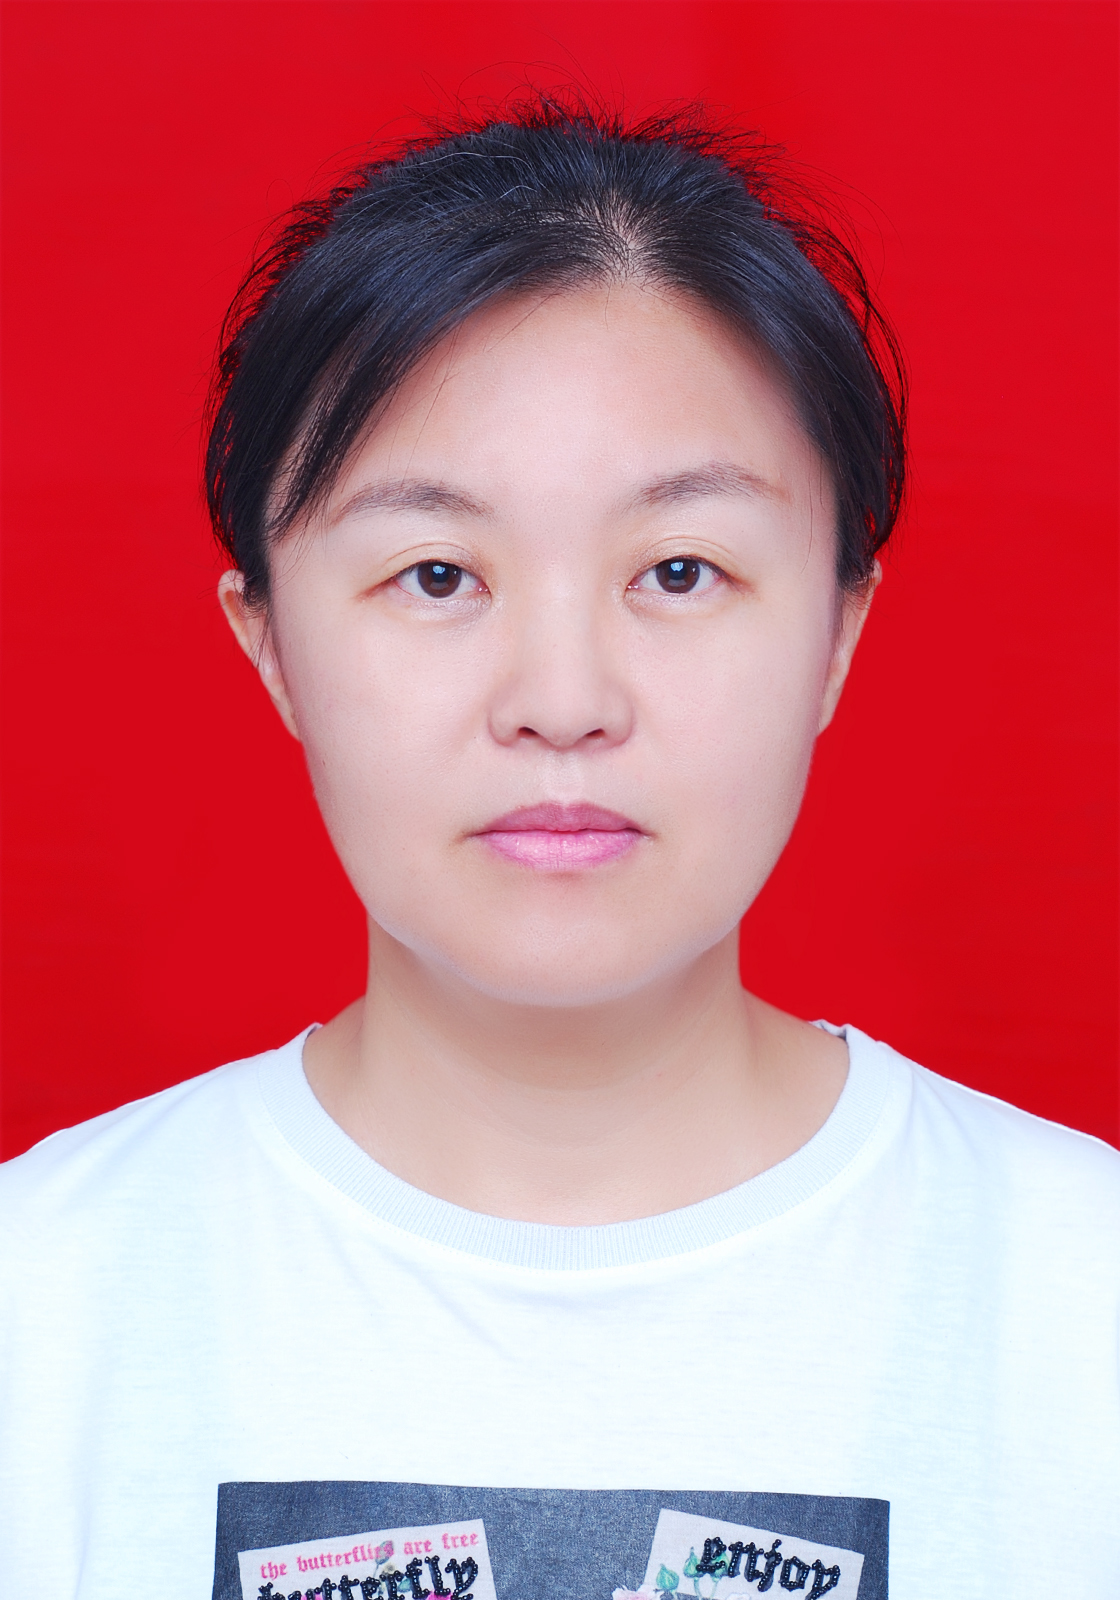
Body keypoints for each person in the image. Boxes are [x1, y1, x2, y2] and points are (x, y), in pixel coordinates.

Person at [1, 99, 1117, 1600]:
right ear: (266, 642)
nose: (564, 700)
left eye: (680, 570)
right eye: (436, 574)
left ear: (839, 633)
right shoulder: (40, 1315)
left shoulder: (1082, 1307)